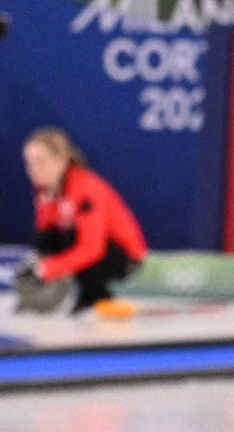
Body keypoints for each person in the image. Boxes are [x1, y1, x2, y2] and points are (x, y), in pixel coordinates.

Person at [19, 127, 148, 313]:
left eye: (41, 162)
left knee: (70, 238)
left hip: (124, 258)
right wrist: (34, 268)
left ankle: (96, 296)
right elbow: (45, 237)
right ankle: (38, 297)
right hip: (89, 247)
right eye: (29, 163)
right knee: (45, 238)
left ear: (61, 161)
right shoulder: (45, 191)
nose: (33, 170)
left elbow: (92, 248)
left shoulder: (87, 189)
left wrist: (48, 269)